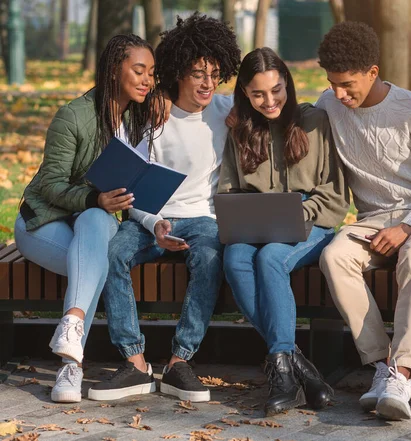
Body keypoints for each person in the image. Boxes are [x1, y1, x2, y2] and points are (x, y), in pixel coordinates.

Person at [88, 13, 241, 402]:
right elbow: (130, 190)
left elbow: (277, 102)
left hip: (203, 220)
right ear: (177, 73)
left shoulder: (228, 111)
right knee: (111, 253)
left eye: (214, 73)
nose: (208, 83)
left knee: (210, 259)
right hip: (149, 220)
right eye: (197, 73)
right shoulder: (148, 115)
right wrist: (156, 224)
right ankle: (135, 364)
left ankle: (179, 363)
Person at [316, 22, 411, 421]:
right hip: (372, 221)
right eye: (333, 84)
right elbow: (290, 121)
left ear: (373, 72)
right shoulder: (328, 103)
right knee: (334, 257)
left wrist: (408, 226)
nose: (340, 94)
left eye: (348, 85)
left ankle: (405, 371)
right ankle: (381, 365)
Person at [13, 34, 161, 403]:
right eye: (139, 71)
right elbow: (50, 185)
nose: (148, 80)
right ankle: (70, 367)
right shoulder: (73, 116)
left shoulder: (140, 116)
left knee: (96, 225)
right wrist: (94, 197)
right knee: (94, 260)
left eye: (152, 73)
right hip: (42, 222)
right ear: (114, 70)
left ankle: (70, 348)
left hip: (92, 224)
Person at [218, 47, 349, 416]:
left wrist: (296, 212)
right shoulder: (240, 130)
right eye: (258, 93)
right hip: (256, 219)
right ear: (245, 91)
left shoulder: (314, 121)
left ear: (287, 83)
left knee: (272, 258)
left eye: (277, 90)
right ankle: (297, 369)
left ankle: (284, 372)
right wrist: (256, 214)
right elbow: (229, 191)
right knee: (236, 258)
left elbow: (337, 196)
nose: (269, 100)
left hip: (311, 220)